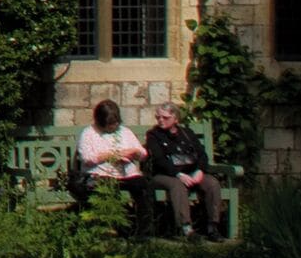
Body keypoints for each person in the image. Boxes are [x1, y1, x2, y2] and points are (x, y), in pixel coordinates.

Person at [140, 101, 226, 239]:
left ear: (176, 119)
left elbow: (202, 155)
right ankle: (186, 228)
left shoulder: (187, 134)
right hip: (165, 175)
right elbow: (159, 160)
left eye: (165, 117)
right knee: (177, 185)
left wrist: (199, 171)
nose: (160, 120)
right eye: (158, 117)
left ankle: (213, 226)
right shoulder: (153, 135)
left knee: (212, 183)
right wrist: (178, 174)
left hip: (191, 172)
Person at [74, 99, 148, 219]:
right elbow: (86, 158)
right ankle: (125, 225)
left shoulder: (125, 132)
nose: (114, 126)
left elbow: (143, 154)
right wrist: (111, 155)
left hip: (127, 174)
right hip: (101, 175)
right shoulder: (88, 134)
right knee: (110, 189)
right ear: (100, 122)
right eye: (110, 124)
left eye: (116, 123)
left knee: (141, 185)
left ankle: (145, 225)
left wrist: (133, 152)